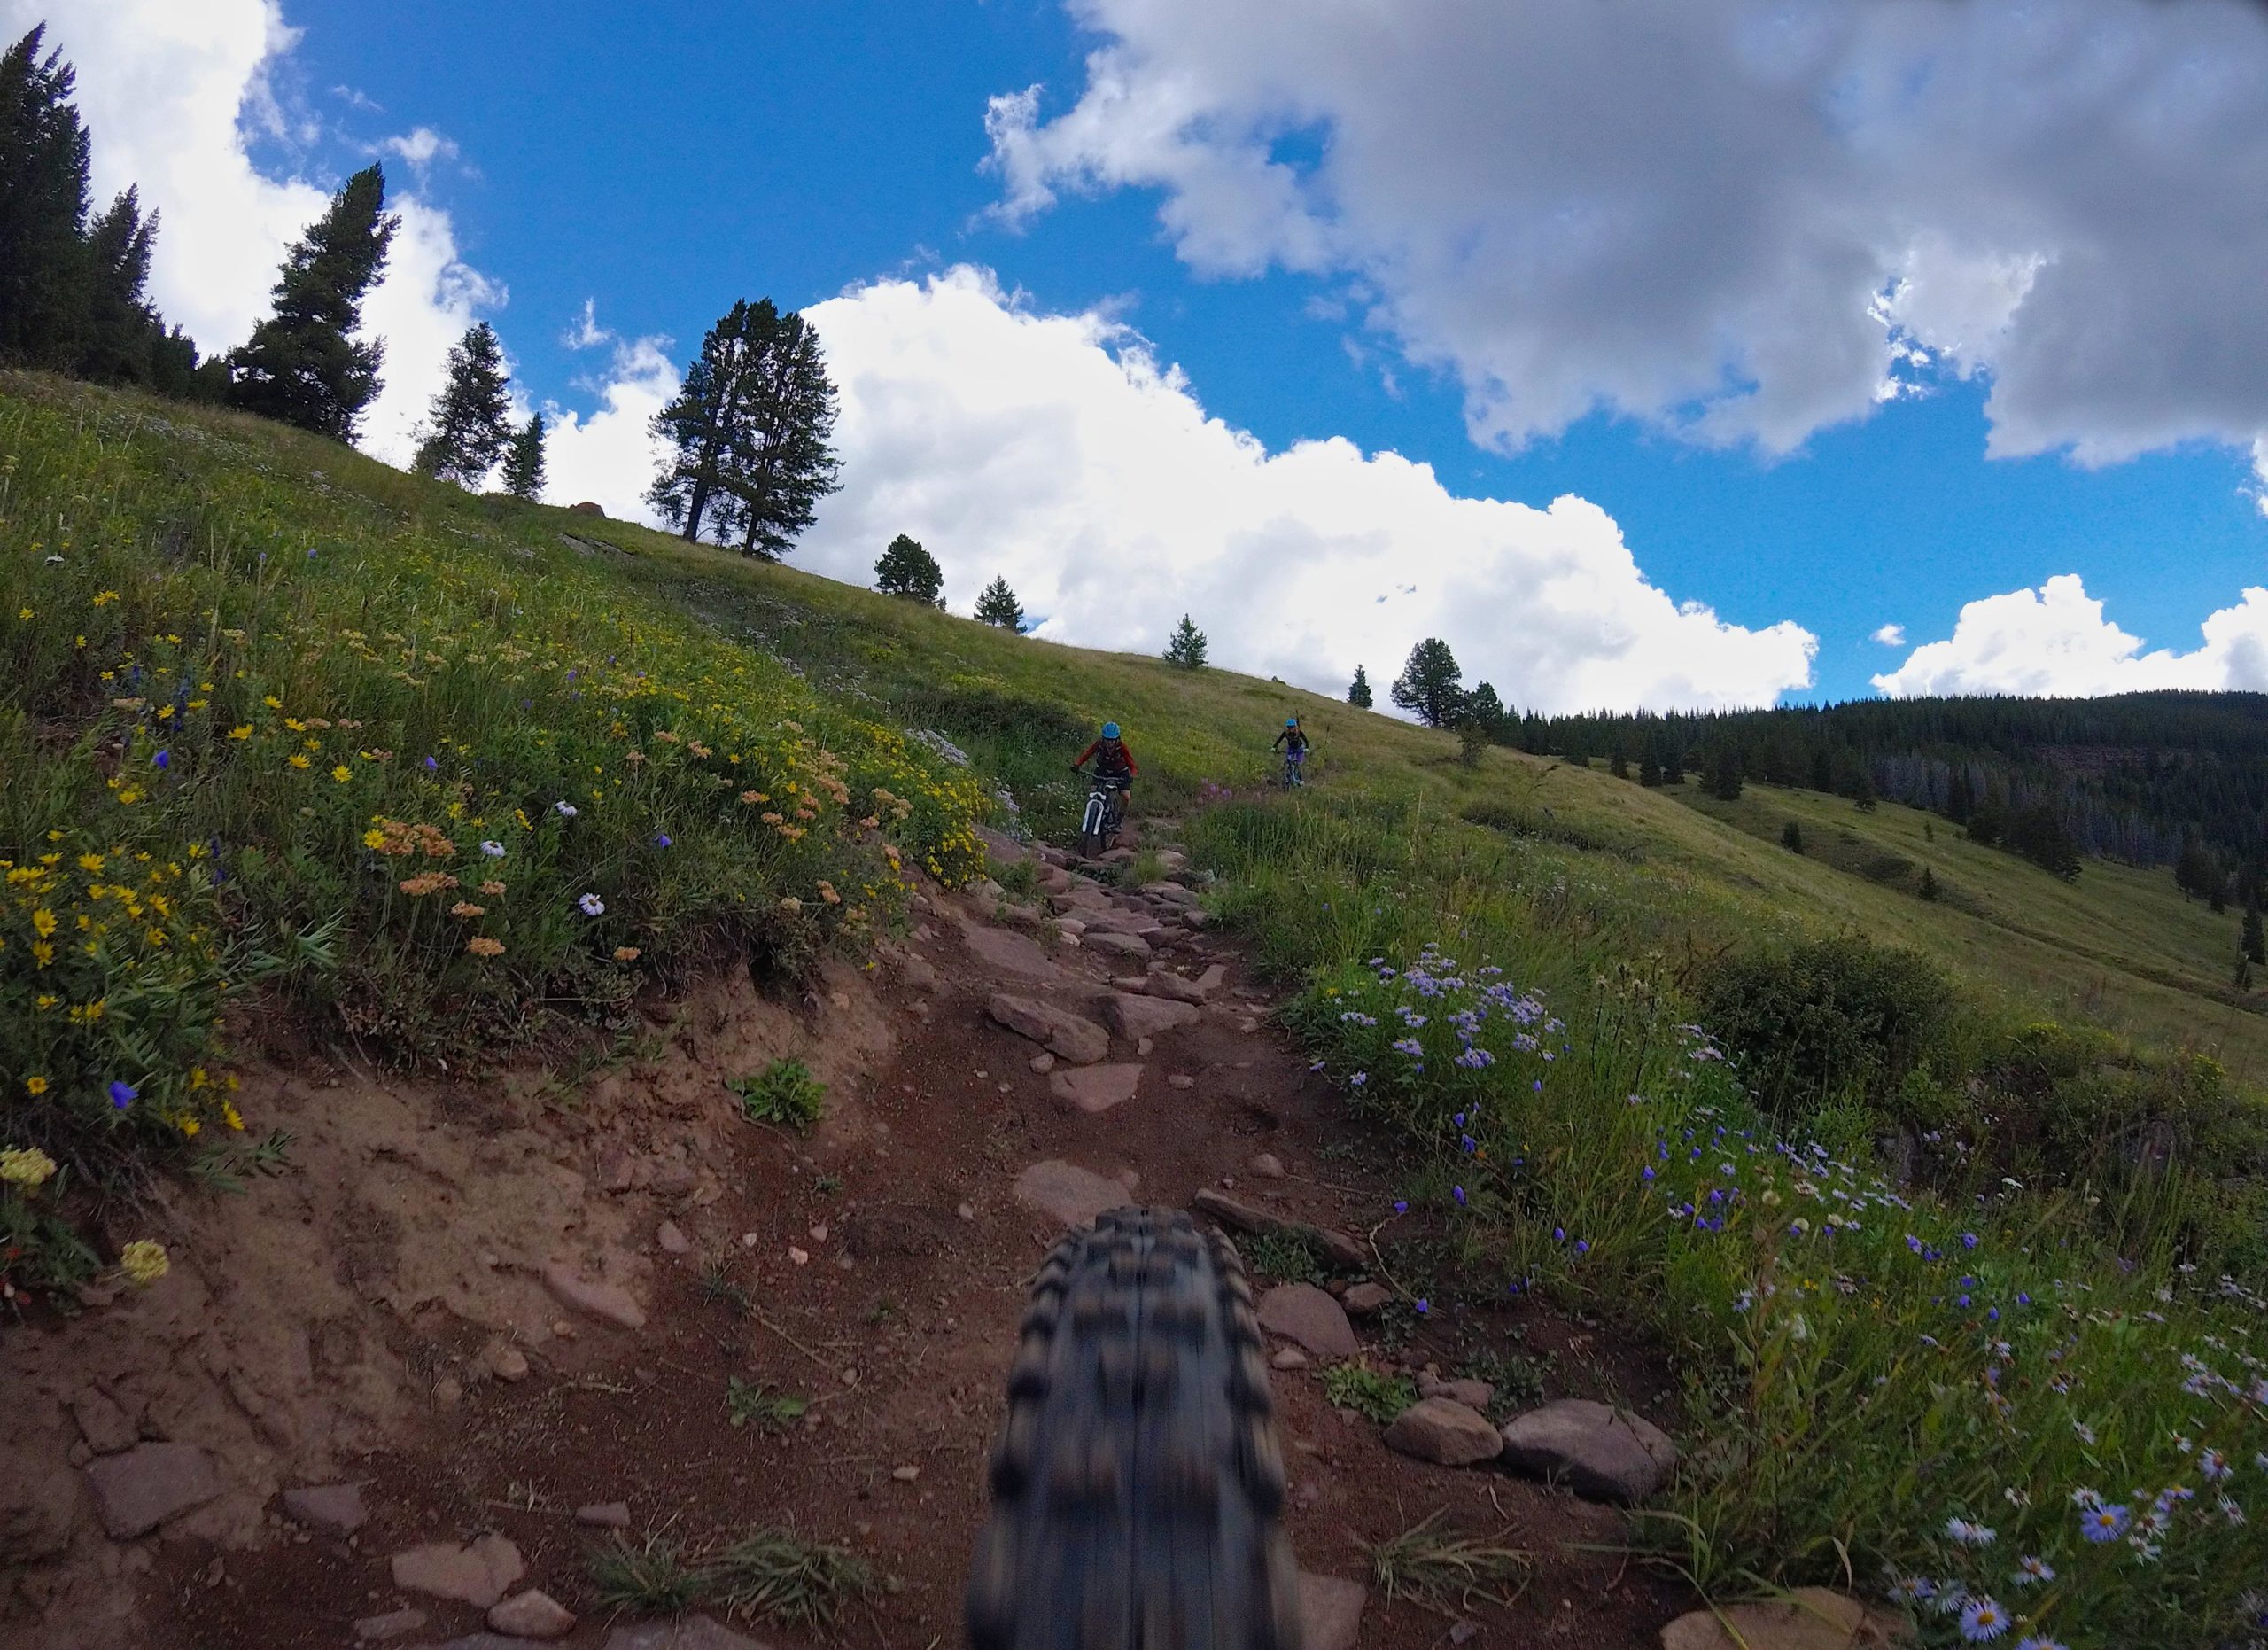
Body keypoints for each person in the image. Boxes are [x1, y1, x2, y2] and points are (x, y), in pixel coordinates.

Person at [1271, 716, 1309, 784]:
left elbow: (1305, 740)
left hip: (1299, 749)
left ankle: (1301, 780)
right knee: (1288, 761)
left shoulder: (1299, 732)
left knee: (1298, 764)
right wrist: (1274, 747)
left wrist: (1307, 748)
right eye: (1289, 727)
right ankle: (1287, 775)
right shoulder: (1286, 733)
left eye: (1292, 727)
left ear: (1295, 727)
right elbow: (1279, 740)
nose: (1290, 729)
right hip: (1291, 748)